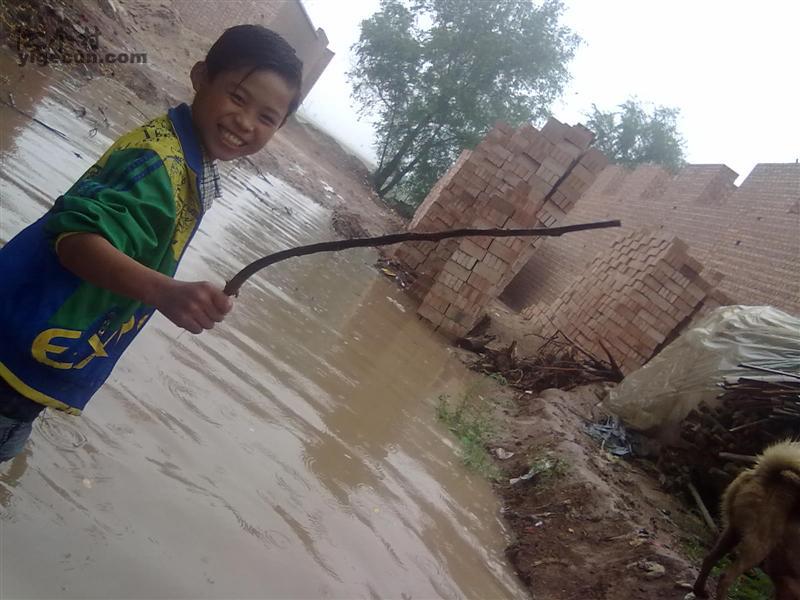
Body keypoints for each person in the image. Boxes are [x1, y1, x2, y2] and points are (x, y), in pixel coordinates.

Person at [0, 25, 303, 463]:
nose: (245, 122)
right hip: (13, 349)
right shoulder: (158, 165)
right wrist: (164, 291)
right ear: (201, 76)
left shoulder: (184, 157)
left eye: (266, 118)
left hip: (28, 346)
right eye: (237, 97)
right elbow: (76, 240)